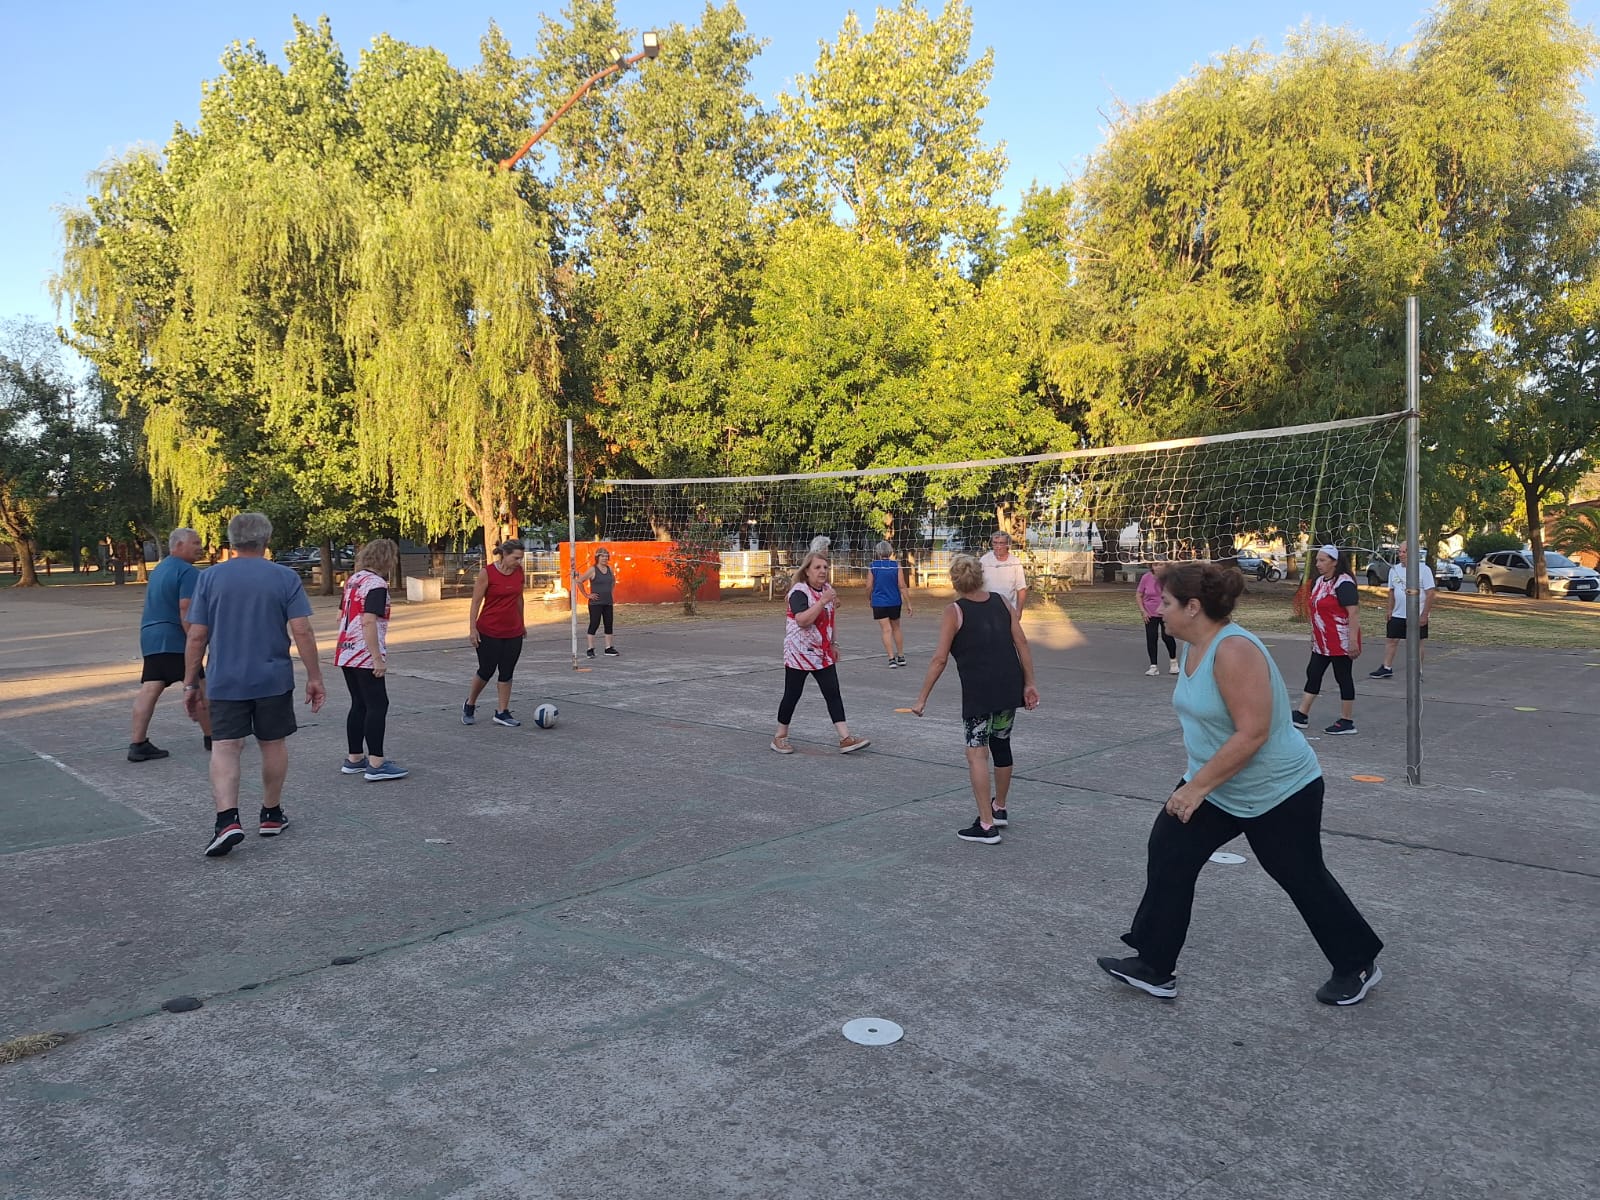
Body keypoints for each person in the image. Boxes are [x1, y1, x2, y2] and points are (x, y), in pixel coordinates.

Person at [1096, 561, 1384, 1006]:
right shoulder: (1192, 647)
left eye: (1167, 603)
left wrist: (1195, 788)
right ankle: (1154, 964)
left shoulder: (1233, 650)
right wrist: (1198, 782)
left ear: (1193, 607)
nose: (1159, 610)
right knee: (1170, 850)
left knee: (1299, 874)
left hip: (1279, 790)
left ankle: (1357, 961)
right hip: (1220, 782)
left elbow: (1253, 733)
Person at [183, 512, 325, 858]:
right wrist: (314, 676)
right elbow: (302, 630)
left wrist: (190, 683)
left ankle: (227, 820)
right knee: (272, 744)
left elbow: (197, 635)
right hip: (272, 678)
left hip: (225, 679)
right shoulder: (285, 577)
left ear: (232, 541)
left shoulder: (209, 578)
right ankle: (271, 814)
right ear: (266, 539)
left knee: (225, 746)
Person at [910, 553, 1041, 843]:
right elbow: (1021, 642)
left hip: (980, 693)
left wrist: (922, 698)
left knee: (976, 753)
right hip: (1009, 687)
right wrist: (1029, 683)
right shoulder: (1001, 602)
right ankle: (999, 808)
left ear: (954, 581)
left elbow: (939, 659)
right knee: (1001, 744)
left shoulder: (954, 611)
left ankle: (986, 824)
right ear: (981, 577)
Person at [771, 550, 870, 755]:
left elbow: (831, 620)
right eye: (817, 567)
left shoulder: (827, 590)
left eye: (825, 567)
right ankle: (780, 736)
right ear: (807, 571)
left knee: (833, 693)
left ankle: (845, 738)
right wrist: (823, 601)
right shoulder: (799, 592)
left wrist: (834, 644)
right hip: (799, 653)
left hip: (821, 653)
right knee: (792, 694)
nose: (822, 571)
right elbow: (802, 620)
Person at [129, 528, 213, 761]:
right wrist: (194, 639)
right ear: (178, 545)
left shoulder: (160, 569)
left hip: (151, 636)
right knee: (200, 686)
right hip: (175, 638)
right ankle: (213, 737)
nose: (200, 547)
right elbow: (186, 608)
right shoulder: (187, 572)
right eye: (195, 543)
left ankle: (137, 743)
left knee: (151, 687)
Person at [336, 539, 407, 782]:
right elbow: (368, 620)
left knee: (359, 703)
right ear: (387, 559)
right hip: (364, 652)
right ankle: (377, 762)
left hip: (345, 650)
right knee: (378, 704)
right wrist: (377, 658)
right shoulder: (376, 584)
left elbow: (341, 615)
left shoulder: (353, 580)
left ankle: (355, 757)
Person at [1294, 545, 1361, 735]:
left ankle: (1347, 721)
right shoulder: (1319, 581)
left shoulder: (1344, 583)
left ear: (1335, 562)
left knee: (1343, 677)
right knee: (1313, 673)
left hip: (1340, 640)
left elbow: (1353, 613)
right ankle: (1301, 714)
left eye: (1322, 560)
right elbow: (1316, 611)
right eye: (1317, 560)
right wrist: (1314, 635)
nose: (1318, 564)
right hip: (1322, 640)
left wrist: (1353, 641)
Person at [464, 540, 527, 727]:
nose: (519, 562)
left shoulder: (519, 572)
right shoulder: (487, 573)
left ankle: (502, 712)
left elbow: (519, 598)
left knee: (507, 671)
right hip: (489, 630)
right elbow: (476, 602)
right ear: (504, 555)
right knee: (486, 670)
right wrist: (472, 629)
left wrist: (522, 623)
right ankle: (470, 704)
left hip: (513, 630)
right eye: (516, 558)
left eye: (521, 558)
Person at [1370, 543, 1434, 680]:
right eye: (1400, 551)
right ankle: (1386, 667)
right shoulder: (1394, 570)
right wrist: (1389, 609)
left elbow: (1430, 593)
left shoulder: (1424, 570)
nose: (1401, 554)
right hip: (1398, 613)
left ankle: (1417, 671)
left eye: (1405, 551)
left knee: (1417, 643)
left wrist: (1424, 615)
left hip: (1416, 614)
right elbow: (1391, 591)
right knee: (1391, 640)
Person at [869, 540, 911, 667]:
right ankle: (901, 656)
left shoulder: (873, 566)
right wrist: (908, 603)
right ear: (890, 551)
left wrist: (869, 598)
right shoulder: (896, 565)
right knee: (896, 628)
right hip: (894, 601)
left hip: (879, 602)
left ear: (878, 552)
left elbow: (868, 586)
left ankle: (891, 659)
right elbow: (902, 585)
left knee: (886, 630)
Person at [577, 547, 620, 659]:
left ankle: (608, 648)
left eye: (606, 556)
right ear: (597, 557)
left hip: (608, 602)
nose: (605, 558)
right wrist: (586, 595)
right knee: (594, 624)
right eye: (602, 556)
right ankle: (590, 649)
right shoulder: (593, 570)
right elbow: (580, 581)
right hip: (595, 603)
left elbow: (613, 581)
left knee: (608, 624)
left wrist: (609, 591)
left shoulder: (610, 569)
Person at [1137, 567, 1179, 677]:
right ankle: (1153, 666)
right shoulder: (1146, 577)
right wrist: (1143, 611)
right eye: (1155, 564)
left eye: (1160, 564)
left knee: (1167, 637)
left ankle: (1173, 661)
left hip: (1165, 612)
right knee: (1151, 637)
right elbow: (1139, 594)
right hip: (1150, 612)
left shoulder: (1169, 578)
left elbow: (1175, 595)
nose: (1157, 566)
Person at [979, 531, 1028, 616]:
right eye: (995, 543)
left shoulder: (1015, 562)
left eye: (1001, 543)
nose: (998, 546)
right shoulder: (984, 560)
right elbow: (976, 584)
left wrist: (1019, 611)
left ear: (1008, 545)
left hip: (1008, 610)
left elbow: (1021, 589)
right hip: (986, 609)